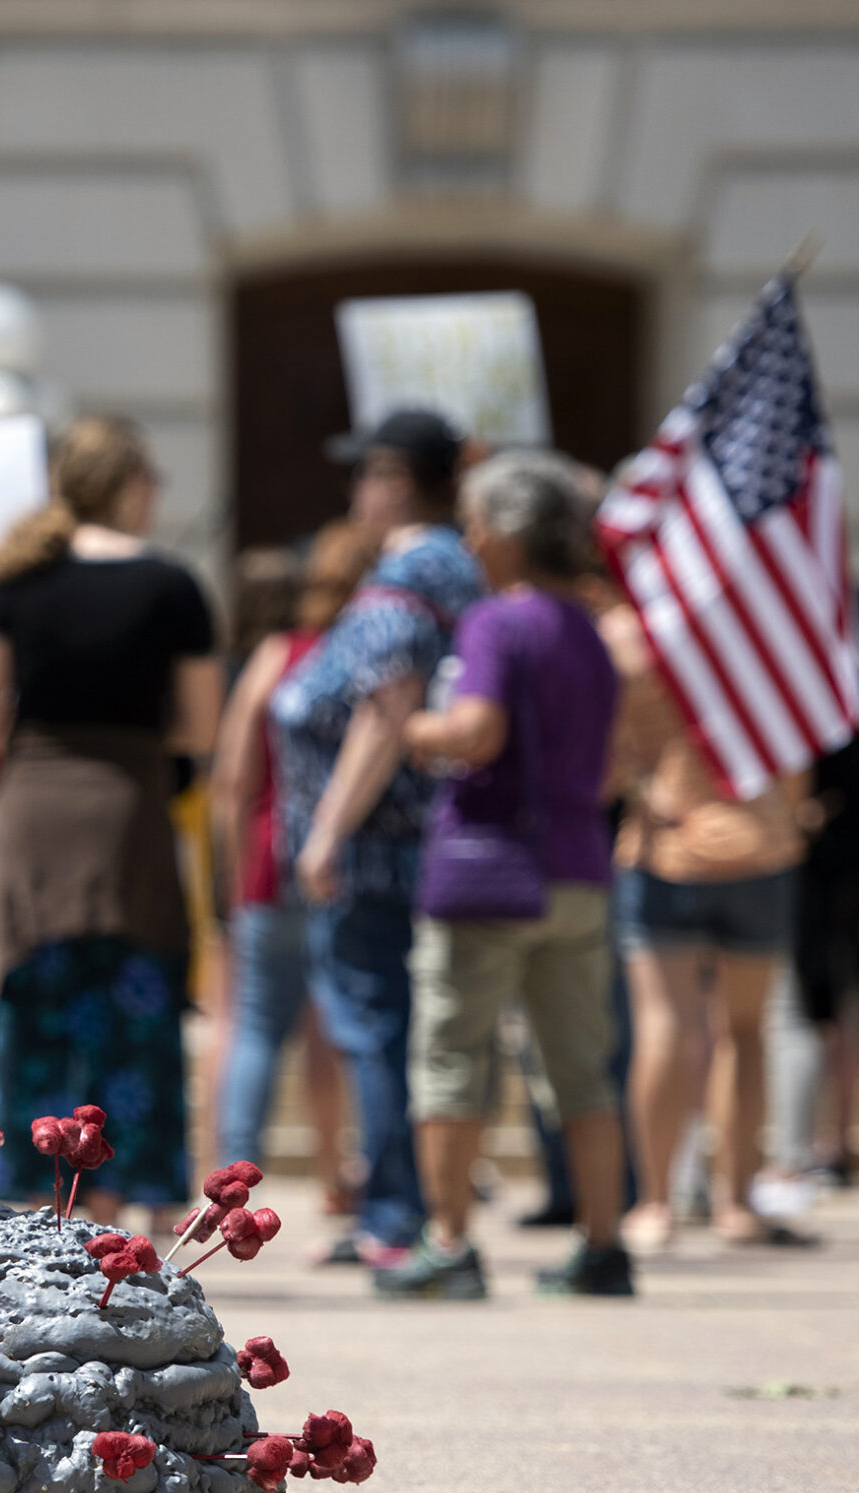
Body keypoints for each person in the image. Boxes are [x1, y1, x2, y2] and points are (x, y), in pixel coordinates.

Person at [0, 415, 220, 1223]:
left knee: (32, 999)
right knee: (133, 1003)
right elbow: (201, 729)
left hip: (33, 810)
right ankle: (112, 1200)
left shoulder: (19, 582)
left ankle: (33, 1198)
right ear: (129, 483)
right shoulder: (173, 585)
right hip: (128, 811)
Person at [369, 452, 630, 1299]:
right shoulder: (592, 629)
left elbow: (476, 730)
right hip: (578, 868)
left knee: (450, 1057)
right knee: (583, 1068)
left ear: (513, 534)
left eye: (479, 523)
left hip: (487, 871)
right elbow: (614, 763)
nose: (471, 538)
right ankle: (603, 1246)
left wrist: (415, 729)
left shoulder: (495, 623)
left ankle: (449, 1243)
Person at [273, 409, 489, 1266]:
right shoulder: (449, 569)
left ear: (396, 480)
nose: (354, 490)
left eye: (365, 474)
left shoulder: (412, 572)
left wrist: (326, 833)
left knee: (376, 1026)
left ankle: (394, 1211)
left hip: (378, 848)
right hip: (409, 842)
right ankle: (398, 1202)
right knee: (392, 1025)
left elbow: (387, 707)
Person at [604, 554, 813, 1254]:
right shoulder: (773, 627)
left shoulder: (635, 636)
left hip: (665, 848)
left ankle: (656, 1204)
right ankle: (736, 1203)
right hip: (760, 845)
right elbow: (803, 746)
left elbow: (608, 759)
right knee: (745, 1032)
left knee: (663, 1024)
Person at [211, 522, 375, 1200]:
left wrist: (229, 880)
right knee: (339, 1033)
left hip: (272, 865)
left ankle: (229, 1183)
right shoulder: (372, 658)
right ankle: (340, 1176)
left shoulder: (279, 654)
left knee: (255, 1028)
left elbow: (232, 779)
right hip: (352, 867)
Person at [761, 591, 859, 1212]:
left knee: (801, 1018)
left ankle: (788, 1165)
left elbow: (810, 792)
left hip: (823, 881)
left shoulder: (819, 699)